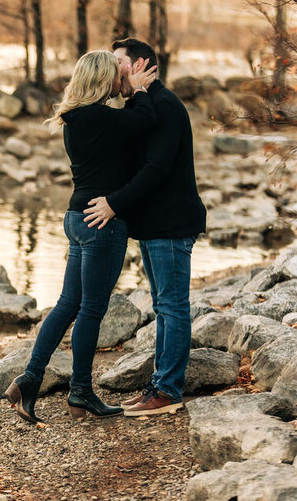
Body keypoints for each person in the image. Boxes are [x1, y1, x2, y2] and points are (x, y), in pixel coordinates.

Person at [7, 49, 159, 424]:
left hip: (77, 217)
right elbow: (145, 120)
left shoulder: (75, 117)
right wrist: (139, 91)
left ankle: (30, 379)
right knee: (91, 308)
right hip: (100, 221)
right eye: (114, 75)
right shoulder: (100, 118)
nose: (118, 81)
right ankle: (81, 392)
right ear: (102, 79)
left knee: (68, 304)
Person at [83, 38, 207, 417]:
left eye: (118, 62)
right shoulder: (144, 105)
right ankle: (159, 385)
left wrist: (113, 204)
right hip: (155, 225)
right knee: (163, 305)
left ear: (139, 65)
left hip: (171, 223)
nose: (112, 68)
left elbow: (156, 170)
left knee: (172, 306)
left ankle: (168, 390)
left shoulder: (166, 105)